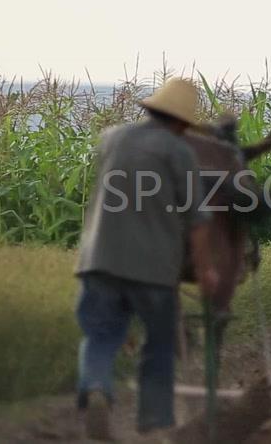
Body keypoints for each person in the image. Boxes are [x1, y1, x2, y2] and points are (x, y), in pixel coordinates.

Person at [73, 78, 219, 440]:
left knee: (100, 334)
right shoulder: (178, 152)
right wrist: (204, 270)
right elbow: (198, 220)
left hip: (99, 259)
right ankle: (154, 424)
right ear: (183, 122)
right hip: (152, 269)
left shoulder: (113, 138)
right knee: (159, 343)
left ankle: (95, 387)